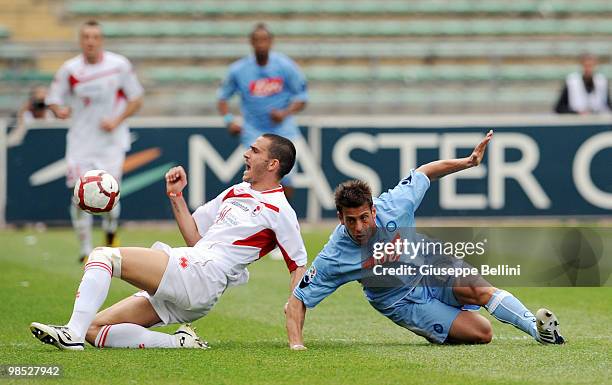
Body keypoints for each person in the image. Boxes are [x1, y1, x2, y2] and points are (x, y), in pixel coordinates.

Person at [285, 130, 565, 350]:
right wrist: (296, 344)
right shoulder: (335, 254)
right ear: (340, 218)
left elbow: (424, 172)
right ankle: (441, 323)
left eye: (363, 217)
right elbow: (298, 300)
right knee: (482, 333)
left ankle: (538, 331)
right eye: (350, 220)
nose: (358, 227)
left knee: (480, 289)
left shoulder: (394, 205)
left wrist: (468, 162)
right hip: (402, 301)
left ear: (373, 210)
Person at [30, 134, 307, 350]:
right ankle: (178, 342)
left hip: (205, 273)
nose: (246, 153)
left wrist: (295, 328)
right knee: (94, 329)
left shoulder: (280, 210)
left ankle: (71, 335)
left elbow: (298, 265)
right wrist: (176, 196)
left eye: (255, 150)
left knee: (104, 256)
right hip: (196, 278)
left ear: (273, 164)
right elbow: (194, 236)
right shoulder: (236, 191)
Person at [45, 20, 144, 262]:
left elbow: (136, 98)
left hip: (111, 143)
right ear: (80, 41)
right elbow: (53, 99)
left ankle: (110, 233)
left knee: (110, 197)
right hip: (81, 143)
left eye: (95, 37)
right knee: (78, 196)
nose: (90, 41)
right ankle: (85, 250)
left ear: (101, 40)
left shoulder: (118, 65)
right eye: (86, 37)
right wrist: (59, 111)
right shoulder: (70, 70)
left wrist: (117, 119)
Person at [217, 22, 308, 199]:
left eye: (264, 40)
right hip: (254, 130)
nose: (261, 44)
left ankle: (283, 215)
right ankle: (257, 217)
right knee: (255, 175)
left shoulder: (285, 66)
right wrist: (229, 120)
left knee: (286, 177)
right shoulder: (239, 70)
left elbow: (303, 98)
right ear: (251, 42)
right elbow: (222, 97)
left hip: (283, 130)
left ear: (271, 42)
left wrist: (284, 113)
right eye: (257, 40)